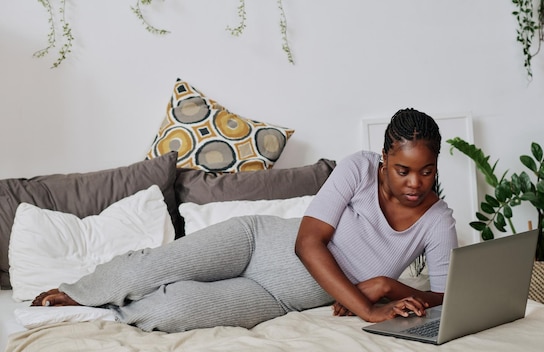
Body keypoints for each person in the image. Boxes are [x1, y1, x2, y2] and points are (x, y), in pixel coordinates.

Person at [31, 108, 458, 333]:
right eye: (403, 170)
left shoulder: (436, 220)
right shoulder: (357, 169)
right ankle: (79, 292)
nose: (415, 183)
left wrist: (387, 286)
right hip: (257, 241)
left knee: (171, 310)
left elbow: (450, 297)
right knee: (150, 266)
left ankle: (108, 311)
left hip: (282, 297)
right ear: (385, 160)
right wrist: (368, 305)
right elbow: (308, 242)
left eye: (427, 171)